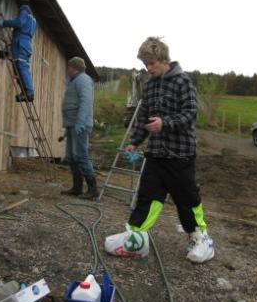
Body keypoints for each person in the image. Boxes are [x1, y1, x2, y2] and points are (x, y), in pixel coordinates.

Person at [105, 37, 214, 263]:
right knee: (148, 195)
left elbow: (190, 113)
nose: (149, 68)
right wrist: (135, 141)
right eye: (146, 64)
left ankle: (201, 239)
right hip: (155, 154)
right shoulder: (150, 85)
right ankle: (136, 238)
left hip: (180, 153)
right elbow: (144, 116)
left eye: (152, 63)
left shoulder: (183, 82)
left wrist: (165, 123)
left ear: (164, 59)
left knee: (186, 198)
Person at [61, 57, 99, 200]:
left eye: (69, 66)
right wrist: (69, 126)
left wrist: (80, 122)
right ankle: (77, 188)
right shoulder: (74, 81)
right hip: (72, 125)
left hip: (80, 125)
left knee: (81, 156)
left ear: (74, 67)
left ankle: (93, 190)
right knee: (71, 156)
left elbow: (86, 101)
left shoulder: (83, 80)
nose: (67, 69)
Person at [0, 0, 37, 102]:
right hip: (24, 44)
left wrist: (4, 23)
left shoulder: (24, 10)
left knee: (22, 67)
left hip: (21, 43)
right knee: (18, 69)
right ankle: (25, 92)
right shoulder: (33, 19)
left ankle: (29, 93)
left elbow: (19, 23)